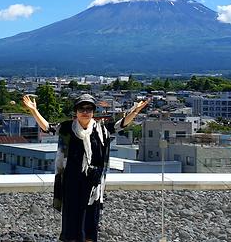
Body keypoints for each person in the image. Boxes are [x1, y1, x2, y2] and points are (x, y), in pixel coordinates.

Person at [23, 93, 149, 242]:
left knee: (90, 223)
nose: (85, 112)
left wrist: (135, 111)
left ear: (93, 112)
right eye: (81, 108)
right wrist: (33, 110)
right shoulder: (67, 128)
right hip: (71, 183)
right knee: (72, 221)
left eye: (89, 109)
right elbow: (47, 128)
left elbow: (121, 124)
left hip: (92, 185)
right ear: (76, 111)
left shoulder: (100, 130)